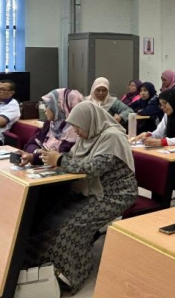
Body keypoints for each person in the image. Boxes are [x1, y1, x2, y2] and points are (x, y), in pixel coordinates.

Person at [22, 101, 136, 293]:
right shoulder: (89, 135)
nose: (75, 131)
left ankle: (73, 275)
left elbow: (93, 168)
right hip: (92, 190)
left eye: (77, 126)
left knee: (72, 227)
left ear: (89, 121)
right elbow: (73, 159)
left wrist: (59, 159)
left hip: (115, 194)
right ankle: (43, 265)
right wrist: (44, 157)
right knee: (51, 220)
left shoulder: (112, 137)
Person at [19, 89, 84, 166]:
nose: (44, 109)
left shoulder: (76, 130)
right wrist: (36, 151)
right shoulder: (50, 124)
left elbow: (61, 158)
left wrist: (34, 156)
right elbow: (31, 144)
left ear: (60, 107)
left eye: (48, 105)